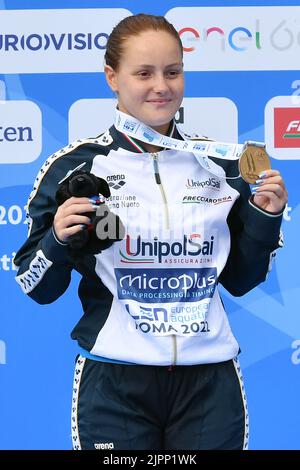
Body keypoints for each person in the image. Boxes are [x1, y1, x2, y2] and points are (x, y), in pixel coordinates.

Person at [14, 13, 287, 450]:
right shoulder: (74, 168)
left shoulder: (224, 166)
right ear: (112, 77)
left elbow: (241, 280)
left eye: (173, 71)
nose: (161, 86)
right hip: (114, 383)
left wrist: (264, 218)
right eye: (144, 73)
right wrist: (57, 242)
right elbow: (35, 286)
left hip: (209, 384)